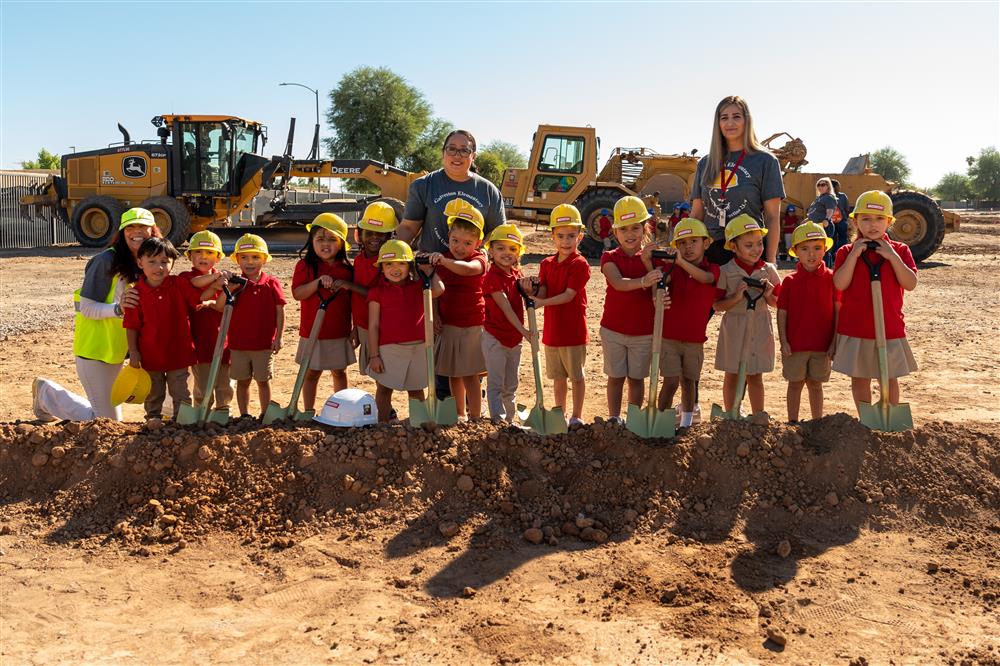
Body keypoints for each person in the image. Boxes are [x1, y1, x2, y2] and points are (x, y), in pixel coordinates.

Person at [32, 207, 160, 422]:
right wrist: (119, 309)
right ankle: (47, 395)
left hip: (125, 349)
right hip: (97, 350)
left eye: (142, 227)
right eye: (130, 227)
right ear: (122, 232)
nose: (136, 232)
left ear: (153, 231)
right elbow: (87, 308)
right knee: (106, 422)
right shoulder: (105, 262)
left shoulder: (152, 261)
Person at [832, 191, 918, 416]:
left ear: (889, 222)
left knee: (888, 377)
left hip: (889, 327)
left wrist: (892, 257)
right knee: (860, 378)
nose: (872, 225)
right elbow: (840, 284)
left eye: (879, 219)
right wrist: (854, 256)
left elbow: (910, 283)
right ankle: (866, 419)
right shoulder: (845, 252)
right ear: (855, 221)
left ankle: (889, 414)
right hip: (857, 328)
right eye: (866, 219)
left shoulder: (900, 250)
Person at [124, 238, 214, 420]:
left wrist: (216, 284)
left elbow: (198, 299)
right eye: (152, 262)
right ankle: (153, 420)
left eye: (165, 262)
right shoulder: (136, 293)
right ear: (140, 262)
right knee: (154, 391)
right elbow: (132, 326)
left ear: (172, 263)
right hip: (150, 354)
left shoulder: (179, 284)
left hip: (178, 353)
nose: (159, 267)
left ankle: (183, 422)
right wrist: (133, 351)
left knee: (180, 390)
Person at [690, 95, 785, 266]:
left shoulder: (766, 161)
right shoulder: (705, 163)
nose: (730, 123)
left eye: (736, 117)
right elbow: (697, 214)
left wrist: (770, 261)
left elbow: (772, 217)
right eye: (724, 118)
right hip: (710, 253)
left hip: (749, 252)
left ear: (746, 121)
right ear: (717, 123)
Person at [520, 203, 590, 427]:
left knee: (576, 376)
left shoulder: (580, 264)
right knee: (558, 377)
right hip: (553, 331)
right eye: (561, 236)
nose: (566, 241)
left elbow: (569, 295)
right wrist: (532, 291)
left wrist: (541, 302)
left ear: (579, 236)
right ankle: (560, 412)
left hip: (573, 331)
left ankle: (577, 415)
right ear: (552, 236)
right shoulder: (546, 264)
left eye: (571, 236)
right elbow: (545, 290)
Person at [599, 196, 662, 424]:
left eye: (635, 227)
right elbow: (618, 283)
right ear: (615, 232)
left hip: (643, 332)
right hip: (613, 330)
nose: (630, 234)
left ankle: (633, 419)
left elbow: (657, 295)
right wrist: (644, 280)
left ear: (646, 228)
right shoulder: (609, 257)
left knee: (636, 379)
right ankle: (614, 418)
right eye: (624, 229)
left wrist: (647, 264)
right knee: (615, 377)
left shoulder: (652, 258)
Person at [367, 240, 445, 422]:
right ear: (382, 268)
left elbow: (439, 290)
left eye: (401, 263)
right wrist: (374, 355)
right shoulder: (376, 292)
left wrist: (428, 271)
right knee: (384, 388)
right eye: (389, 264)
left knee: (416, 389)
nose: (395, 268)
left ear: (410, 266)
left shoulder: (420, 287)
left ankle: (419, 424)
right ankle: (382, 425)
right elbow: (373, 325)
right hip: (388, 348)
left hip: (418, 347)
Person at [396, 129, 505, 254]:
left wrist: (480, 252)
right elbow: (409, 228)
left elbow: (498, 232)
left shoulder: (489, 191)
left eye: (464, 150)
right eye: (451, 149)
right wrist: (393, 251)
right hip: (430, 268)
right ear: (443, 152)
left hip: (471, 269)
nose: (457, 155)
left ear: (473, 156)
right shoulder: (423, 185)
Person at [654, 218, 719, 428]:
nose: (688, 247)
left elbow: (706, 279)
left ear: (706, 243)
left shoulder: (713, 269)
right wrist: (650, 260)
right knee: (671, 381)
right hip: (669, 339)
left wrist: (681, 262)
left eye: (693, 241)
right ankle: (659, 421)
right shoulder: (673, 269)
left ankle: (687, 423)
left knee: (689, 381)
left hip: (695, 340)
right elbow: (659, 281)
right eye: (682, 243)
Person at [428, 198, 489, 421]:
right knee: (453, 372)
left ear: (478, 242)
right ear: (449, 236)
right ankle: (459, 413)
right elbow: (435, 289)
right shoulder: (446, 258)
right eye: (455, 240)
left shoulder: (479, 258)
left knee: (470, 374)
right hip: (448, 323)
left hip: (471, 324)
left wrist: (443, 261)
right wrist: (434, 314)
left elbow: (467, 270)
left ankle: (475, 416)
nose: (460, 247)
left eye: (467, 243)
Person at [713, 214, 780, 416]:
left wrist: (769, 295)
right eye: (749, 245)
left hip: (759, 326)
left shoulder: (768, 270)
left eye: (759, 243)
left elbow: (778, 303)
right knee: (732, 374)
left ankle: (758, 413)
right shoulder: (725, 271)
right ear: (733, 247)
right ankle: (731, 413)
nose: (756, 249)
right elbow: (717, 305)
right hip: (734, 327)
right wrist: (735, 297)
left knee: (755, 375)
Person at [292, 214, 356, 413]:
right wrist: (317, 281)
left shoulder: (347, 270)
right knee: (311, 373)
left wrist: (354, 328)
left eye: (331, 239)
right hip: (312, 333)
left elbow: (354, 302)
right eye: (320, 239)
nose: (325, 244)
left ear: (341, 244)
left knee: (339, 372)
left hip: (339, 331)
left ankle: (341, 410)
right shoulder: (305, 266)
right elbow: (297, 294)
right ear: (311, 242)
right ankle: (309, 411)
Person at [777, 222, 838, 422]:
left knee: (815, 384)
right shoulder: (790, 282)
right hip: (795, 347)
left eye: (817, 248)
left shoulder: (832, 279)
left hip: (822, 347)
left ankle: (817, 423)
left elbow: (838, 312)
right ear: (795, 251)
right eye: (804, 249)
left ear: (825, 249)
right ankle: (792, 422)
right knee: (795, 384)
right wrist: (783, 341)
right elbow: (782, 313)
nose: (811, 254)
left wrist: (834, 341)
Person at [224, 234, 286, 418]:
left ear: (264, 259)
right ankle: (244, 414)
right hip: (239, 345)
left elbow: (280, 310)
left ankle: (265, 413)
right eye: (244, 257)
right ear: (237, 260)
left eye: (255, 257)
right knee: (242, 381)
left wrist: (279, 337)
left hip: (264, 344)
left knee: (263, 381)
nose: (249, 262)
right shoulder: (235, 284)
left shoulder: (271, 283)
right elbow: (222, 306)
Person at [480, 224, 531, 422]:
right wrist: (525, 331)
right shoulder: (492, 277)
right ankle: (498, 420)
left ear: (519, 252)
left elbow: (528, 297)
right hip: (496, 337)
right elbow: (506, 308)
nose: (506, 253)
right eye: (500, 248)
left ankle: (509, 419)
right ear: (491, 251)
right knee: (496, 383)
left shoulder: (517, 275)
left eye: (512, 248)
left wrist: (530, 288)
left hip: (514, 339)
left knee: (511, 383)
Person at [178, 230, 234, 413]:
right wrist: (216, 282)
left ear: (218, 257)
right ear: (189, 256)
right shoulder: (186, 277)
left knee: (224, 384)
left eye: (209, 253)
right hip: (199, 342)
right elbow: (197, 285)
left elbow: (219, 307)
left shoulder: (222, 279)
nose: (204, 256)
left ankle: (223, 413)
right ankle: (202, 414)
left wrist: (220, 289)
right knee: (202, 385)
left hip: (222, 341)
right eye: (198, 252)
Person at [351, 201, 397, 377]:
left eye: (381, 234)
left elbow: (374, 295)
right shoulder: (359, 260)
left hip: (380, 328)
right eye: (369, 233)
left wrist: (348, 285)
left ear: (389, 236)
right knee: (375, 375)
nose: (374, 238)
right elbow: (355, 300)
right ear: (360, 235)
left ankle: (384, 406)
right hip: (363, 326)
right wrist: (355, 326)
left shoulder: (387, 265)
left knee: (384, 376)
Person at [807, 177, 840, 268]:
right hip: (816, 226)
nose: (820, 187)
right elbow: (813, 212)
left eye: (823, 185)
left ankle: (825, 269)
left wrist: (826, 219)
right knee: (817, 247)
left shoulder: (829, 197)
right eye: (818, 185)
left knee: (824, 249)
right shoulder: (819, 198)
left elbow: (830, 210)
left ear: (828, 186)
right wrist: (807, 220)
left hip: (824, 225)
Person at [831, 179, 851, 254]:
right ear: (835, 187)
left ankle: (833, 255)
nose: (839, 187)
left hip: (830, 222)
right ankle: (840, 253)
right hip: (842, 221)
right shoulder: (842, 196)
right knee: (843, 238)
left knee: (832, 239)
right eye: (838, 186)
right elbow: (847, 208)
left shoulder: (827, 196)